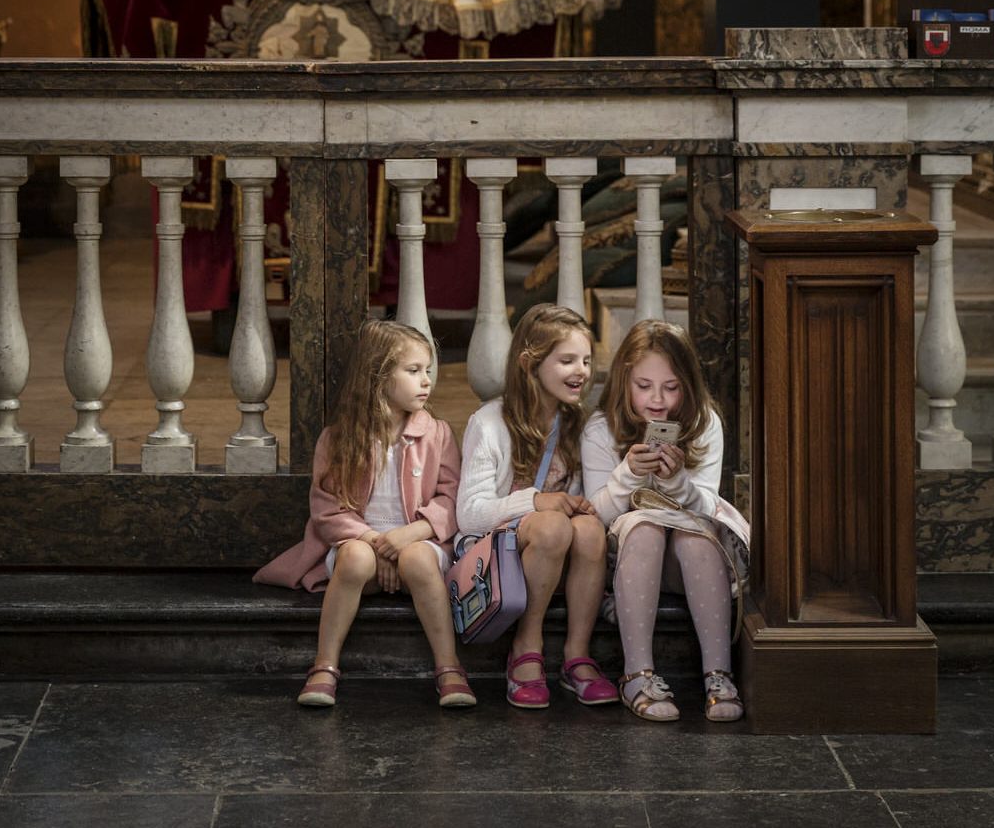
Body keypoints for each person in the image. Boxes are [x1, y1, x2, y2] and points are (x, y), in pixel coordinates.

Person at [253, 319, 474, 709]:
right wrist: (375, 542)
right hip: (361, 545)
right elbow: (327, 507)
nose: (427, 381)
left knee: (419, 561)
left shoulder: (437, 434)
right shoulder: (339, 439)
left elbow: (452, 498)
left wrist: (408, 537)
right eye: (413, 371)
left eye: (428, 370)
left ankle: (449, 668)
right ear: (378, 376)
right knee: (354, 558)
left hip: (418, 544)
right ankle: (324, 666)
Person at [581, 320, 750, 722]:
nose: (657, 399)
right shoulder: (601, 429)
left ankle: (719, 673)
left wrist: (678, 482)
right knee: (645, 528)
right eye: (644, 386)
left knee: (694, 537)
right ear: (624, 380)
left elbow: (704, 507)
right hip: (626, 560)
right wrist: (628, 475)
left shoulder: (705, 422)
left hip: (689, 556)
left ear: (688, 385)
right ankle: (637, 674)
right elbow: (597, 515)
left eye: (671, 387)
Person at [457, 304, 618, 709]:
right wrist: (536, 501)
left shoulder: (581, 424)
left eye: (585, 360)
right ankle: (526, 645)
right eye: (566, 360)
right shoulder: (489, 422)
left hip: (559, 554)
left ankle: (576, 655)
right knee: (551, 526)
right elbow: (469, 514)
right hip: (495, 553)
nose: (581, 371)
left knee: (588, 528)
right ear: (530, 364)